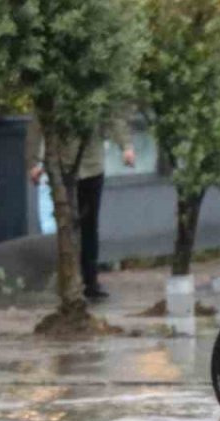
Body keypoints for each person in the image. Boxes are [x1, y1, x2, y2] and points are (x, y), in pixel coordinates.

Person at [26, 114, 135, 301]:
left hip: (92, 165)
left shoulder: (96, 90)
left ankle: (90, 281)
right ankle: (67, 279)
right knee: (64, 224)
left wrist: (126, 146)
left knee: (89, 225)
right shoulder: (55, 90)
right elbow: (37, 123)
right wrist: (33, 162)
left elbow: (113, 117)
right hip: (62, 165)